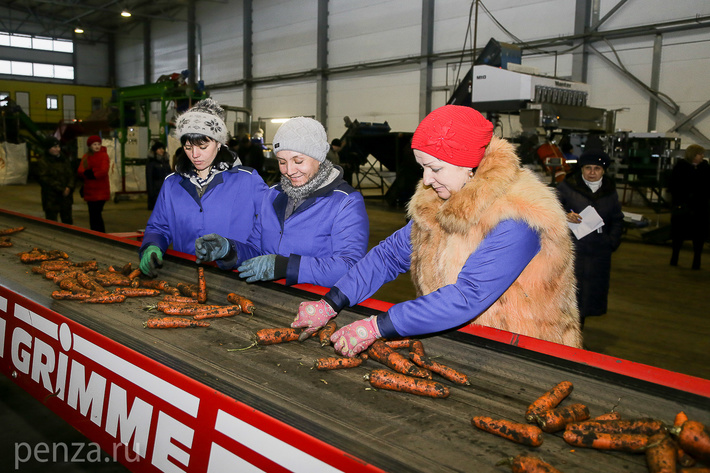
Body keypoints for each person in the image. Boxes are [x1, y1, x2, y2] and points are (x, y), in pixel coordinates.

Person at [289, 105, 582, 357]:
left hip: (524, 353)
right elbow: (389, 256)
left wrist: (378, 325)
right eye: (422, 168)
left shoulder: (520, 216)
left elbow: (469, 296)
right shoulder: (441, 200)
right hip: (461, 341)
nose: (426, 180)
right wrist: (331, 301)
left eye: (435, 168)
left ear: (469, 165)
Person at [194, 117, 369, 288]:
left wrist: (286, 267)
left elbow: (349, 268)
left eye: (298, 161)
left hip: (317, 306)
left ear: (319, 157)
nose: (290, 171)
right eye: (282, 162)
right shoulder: (273, 195)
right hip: (272, 298)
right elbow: (256, 249)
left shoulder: (345, 202)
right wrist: (228, 250)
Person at [138, 98, 268, 278]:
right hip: (188, 276)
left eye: (203, 146)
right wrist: (152, 245)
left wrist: (233, 251)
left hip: (236, 276)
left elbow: (269, 227)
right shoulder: (172, 184)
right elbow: (159, 226)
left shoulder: (247, 181)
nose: (195, 155)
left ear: (219, 142)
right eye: (188, 147)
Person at [557, 149, 624, 326]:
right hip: (573, 250)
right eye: (588, 168)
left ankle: (578, 334)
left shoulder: (610, 191)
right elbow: (550, 209)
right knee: (569, 295)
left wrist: (611, 242)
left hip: (598, 252)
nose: (592, 172)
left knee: (588, 297)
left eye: (597, 168)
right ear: (581, 169)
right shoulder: (567, 187)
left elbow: (617, 219)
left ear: (603, 171)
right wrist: (565, 215)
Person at [668, 144, 710, 270]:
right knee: (678, 235)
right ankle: (674, 258)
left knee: (699, 237)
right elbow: (675, 186)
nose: (702, 156)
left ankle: (696, 261)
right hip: (683, 207)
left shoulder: (705, 168)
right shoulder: (681, 167)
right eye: (700, 154)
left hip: (699, 208)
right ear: (693, 155)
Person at [36, 136, 74, 224]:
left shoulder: (64, 159)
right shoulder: (43, 162)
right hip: (51, 199)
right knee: (52, 223)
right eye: (54, 147)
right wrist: (61, 189)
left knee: (68, 222)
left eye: (58, 146)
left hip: (65, 198)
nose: (58, 149)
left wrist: (69, 187)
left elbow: (71, 174)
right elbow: (44, 179)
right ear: (48, 148)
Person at [77, 135, 111, 232]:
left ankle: (100, 233)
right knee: (92, 214)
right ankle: (95, 232)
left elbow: (104, 170)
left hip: (100, 191)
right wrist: (87, 174)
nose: (97, 146)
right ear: (90, 146)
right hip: (90, 191)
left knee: (96, 213)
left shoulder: (104, 155)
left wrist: (92, 173)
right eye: (94, 144)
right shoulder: (86, 156)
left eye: (99, 144)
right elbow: (80, 170)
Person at [145, 141, 172, 210]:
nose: (161, 150)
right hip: (156, 189)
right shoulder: (152, 162)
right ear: (155, 151)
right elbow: (149, 177)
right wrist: (151, 192)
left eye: (162, 148)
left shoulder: (165, 161)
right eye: (159, 149)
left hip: (165, 187)